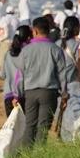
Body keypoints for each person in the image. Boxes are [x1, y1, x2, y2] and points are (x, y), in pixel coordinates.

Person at [17, 18, 73, 146]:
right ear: (48, 30)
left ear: (34, 31)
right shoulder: (56, 49)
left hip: (30, 92)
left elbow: (19, 75)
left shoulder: (26, 50)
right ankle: (39, 156)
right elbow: (62, 74)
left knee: (30, 125)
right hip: (49, 92)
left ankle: (26, 156)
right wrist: (64, 94)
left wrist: (17, 94)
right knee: (43, 127)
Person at [0, 25, 30, 115]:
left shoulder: (8, 53)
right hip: (22, 94)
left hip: (8, 94)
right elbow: (21, 75)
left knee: (12, 127)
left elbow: (3, 75)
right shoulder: (27, 53)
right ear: (28, 37)